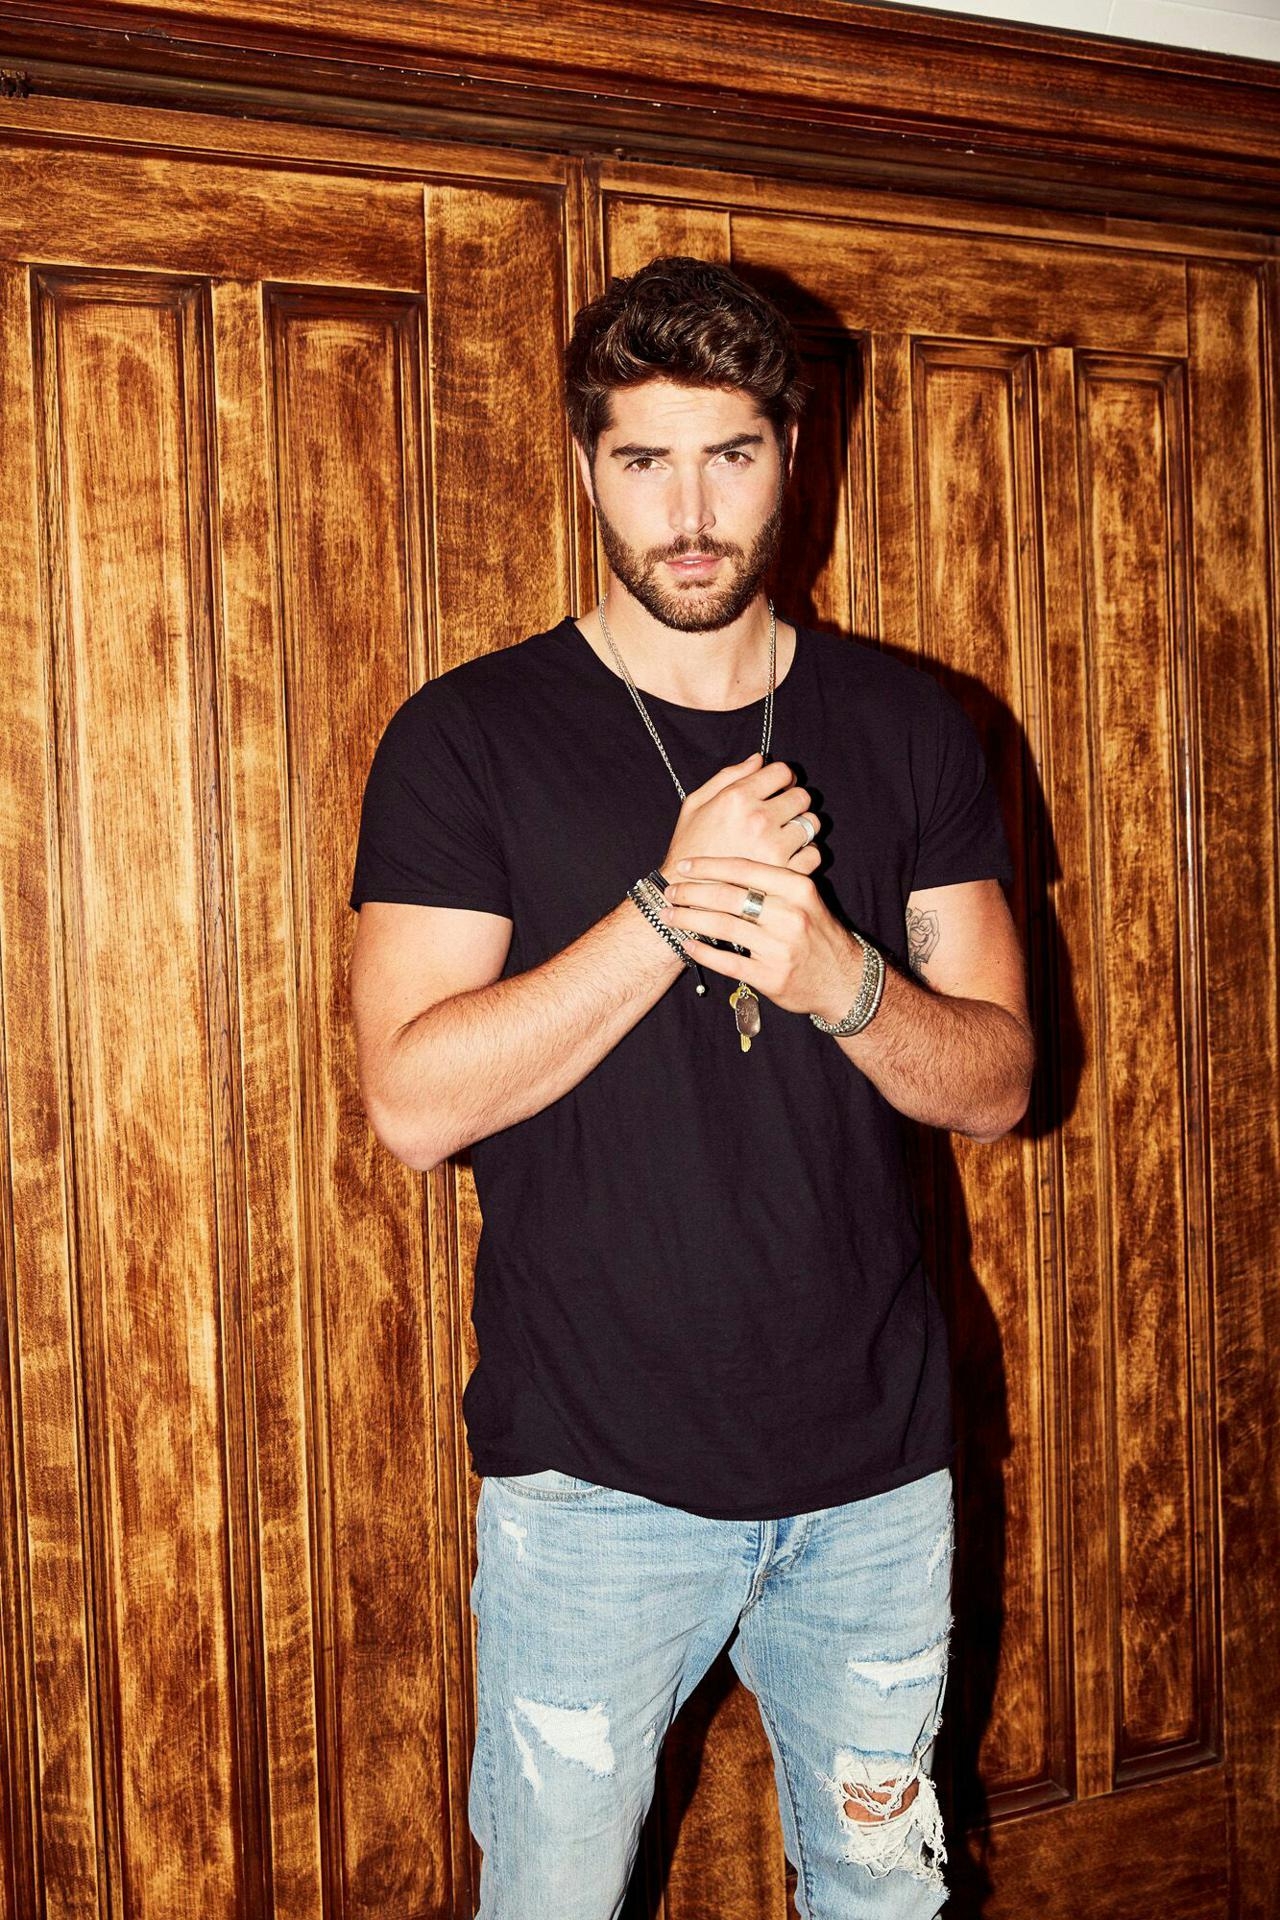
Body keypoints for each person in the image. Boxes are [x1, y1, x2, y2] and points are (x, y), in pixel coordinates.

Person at [348, 255, 1033, 1920]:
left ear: (794, 453)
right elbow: (414, 1103)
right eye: (645, 461)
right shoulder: (468, 737)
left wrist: (837, 980)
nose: (693, 513)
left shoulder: (915, 727)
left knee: (885, 1897)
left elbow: (1001, 1079)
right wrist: (669, 912)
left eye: (730, 454)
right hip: (594, 1487)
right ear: (586, 467)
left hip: (875, 1479)